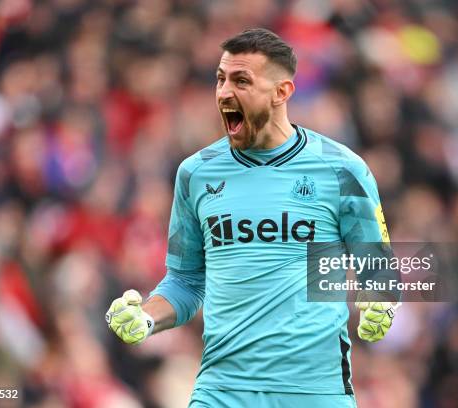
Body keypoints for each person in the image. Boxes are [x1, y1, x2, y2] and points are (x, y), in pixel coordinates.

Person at [106, 28, 397, 408]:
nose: (225, 91)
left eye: (241, 80)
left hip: (314, 391)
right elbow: (186, 281)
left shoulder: (342, 169)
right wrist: (146, 316)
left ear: (282, 92)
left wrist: (381, 301)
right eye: (220, 79)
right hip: (223, 392)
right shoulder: (196, 174)